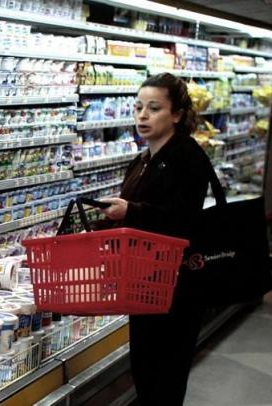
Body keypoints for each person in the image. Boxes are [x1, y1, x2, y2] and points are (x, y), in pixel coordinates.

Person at [99, 73, 212, 406]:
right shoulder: (144, 158)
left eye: (154, 108)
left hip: (176, 286)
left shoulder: (187, 157)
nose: (143, 116)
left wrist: (130, 210)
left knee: (165, 377)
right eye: (138, 108)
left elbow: (182, 220)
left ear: (176, 114)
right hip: (145, 281)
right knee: (145, 371)